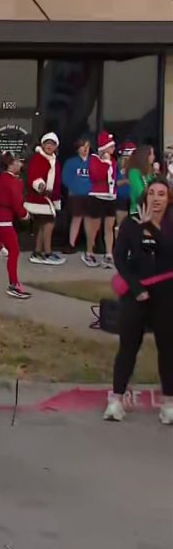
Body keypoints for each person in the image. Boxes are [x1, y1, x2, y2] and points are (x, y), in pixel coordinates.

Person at [105, 179, 173, 425]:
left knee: (168, 349)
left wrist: (150, 227)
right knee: (128, 347)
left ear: (168, 199)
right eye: (152, 193)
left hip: (166, 295)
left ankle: (169, 403)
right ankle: (116, 400)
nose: (156, 198)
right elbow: (119, 257)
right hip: (135, 293)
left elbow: (169, 250)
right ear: (145, 196)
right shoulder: (131, 223)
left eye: (162, 194)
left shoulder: (170, 223)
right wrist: (135, 288)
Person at [0, 153, 31, 299]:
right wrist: (25, 215)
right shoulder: (15, 182)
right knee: (14, 251)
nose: (20, 164)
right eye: (18, 161)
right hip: (3, 220)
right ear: (11, 164)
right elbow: (16, 203)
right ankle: (14, 285)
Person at [24, 133, 64, 265]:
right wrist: (42, 187)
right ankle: (47, 252)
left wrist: (55, 196)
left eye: (52, 144)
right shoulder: (38, 158)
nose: (49, 146)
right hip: (40, 197)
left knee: (43, 224)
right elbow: (33, 176)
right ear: (42, 145)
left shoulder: (55, 161)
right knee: (47, 224)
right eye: (47, 143)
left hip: (50, 198)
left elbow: (57, 181)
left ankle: (38, 252)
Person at [85, 132, 118, 269]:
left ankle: (109, 254)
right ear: (104, 148)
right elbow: (97, 176)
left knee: (109, 227)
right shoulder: (94, 159)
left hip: (110, 196)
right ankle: (89, 252)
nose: (114, 149)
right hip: (97, 195)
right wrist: (105, 163)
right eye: (111, 146)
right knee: (95, 227)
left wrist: (109, 162)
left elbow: (112, 177)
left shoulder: (113, 161)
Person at [62, 139, 92, 254]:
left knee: (90, 220)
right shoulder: (71, 162)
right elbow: (65, 178)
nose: (85, 149)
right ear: (77, 149)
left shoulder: (93, 162)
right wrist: (76, 188)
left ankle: (90, 245)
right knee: (76, 219)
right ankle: (71, 244)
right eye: (82, 147)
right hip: (76, 195)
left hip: (91, 195)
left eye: (87, 147)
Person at [127, 145, 158, 217]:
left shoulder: (151, 172)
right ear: (145, 156)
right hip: (138, 210)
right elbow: (139, 192)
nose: (154, 157)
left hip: (152, 210)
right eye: (152, 154)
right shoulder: (134, 172)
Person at [115, 142, 137, 228]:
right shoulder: (116, 167)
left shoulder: (137, 167)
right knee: (121, 225)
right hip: (121, 198)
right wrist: (126, 181)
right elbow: (113, 183)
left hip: (135, 199)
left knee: (135, 225)